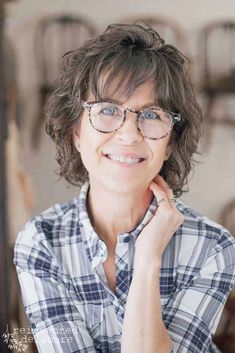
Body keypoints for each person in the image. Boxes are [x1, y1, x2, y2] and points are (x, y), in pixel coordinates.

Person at [14, 23, 235, 353]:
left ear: (171, 144)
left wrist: (147, 260)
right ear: (76, 133)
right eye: (107, 110)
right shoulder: (41, 242)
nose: (129, 134)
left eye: (151, 114)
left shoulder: (212, 247)